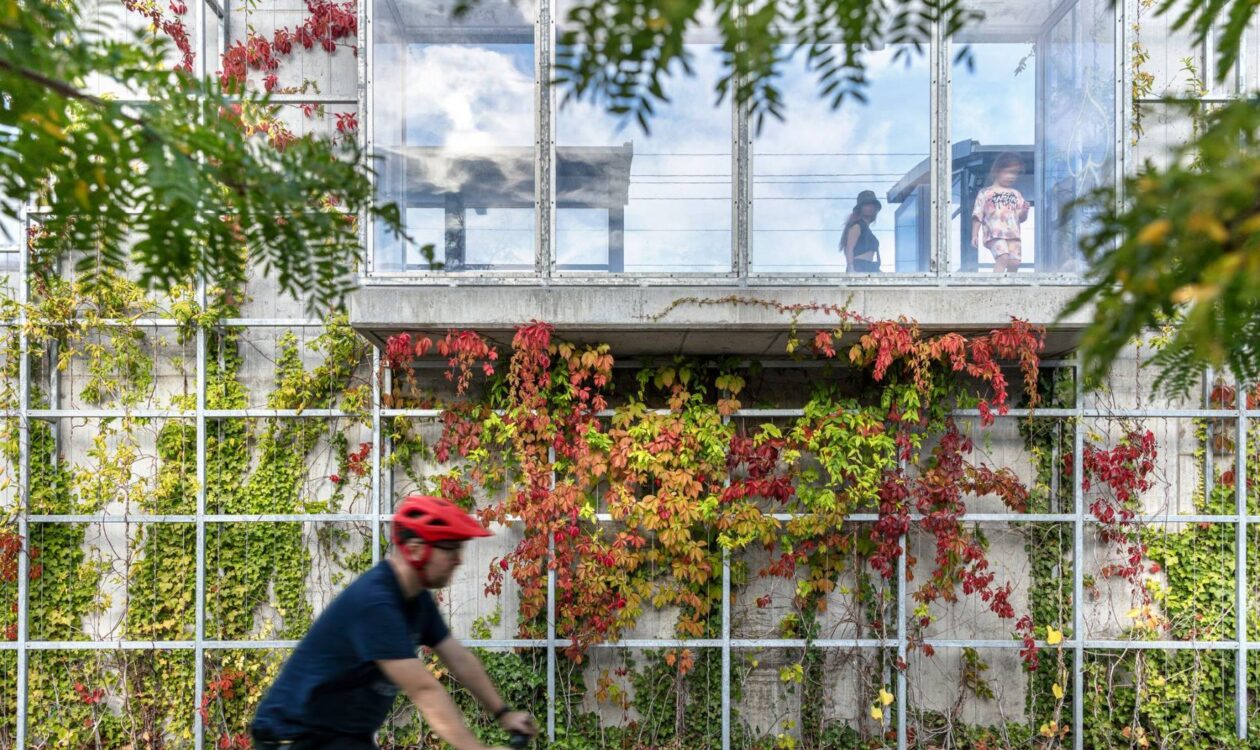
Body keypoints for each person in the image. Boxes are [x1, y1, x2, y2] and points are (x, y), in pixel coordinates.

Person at [250, 494, 539, 750]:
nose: (458, 560)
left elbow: (459, 658)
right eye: (450, 548)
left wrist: (503, 713)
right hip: (295, 738)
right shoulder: (375, 603)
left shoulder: (416, 600)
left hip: (344, 737)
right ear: (415, 549)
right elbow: (424, 690)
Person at [971, 152, 1031, 273]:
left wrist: (1024, 211)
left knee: (1015, 262)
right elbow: (978, 214)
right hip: (995, 233)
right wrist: (975, 234)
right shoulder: (986, 193)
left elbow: (1021, 217)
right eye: (1008, 172)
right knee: (1003, 257)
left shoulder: (1016, 194)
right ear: (997, 171)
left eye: (1015, 173)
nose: (1012, 176)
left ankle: (1010, 288)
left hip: (1013, 234)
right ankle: (995, 284)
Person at [841, 190, 883, 273]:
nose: (870, 208)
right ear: (860, 208)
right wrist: (851, 268)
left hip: (870, 267)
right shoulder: (857, 226)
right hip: (859, 267)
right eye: (866, 205)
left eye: (872, 205)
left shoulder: (866, 229)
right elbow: (849, 248)